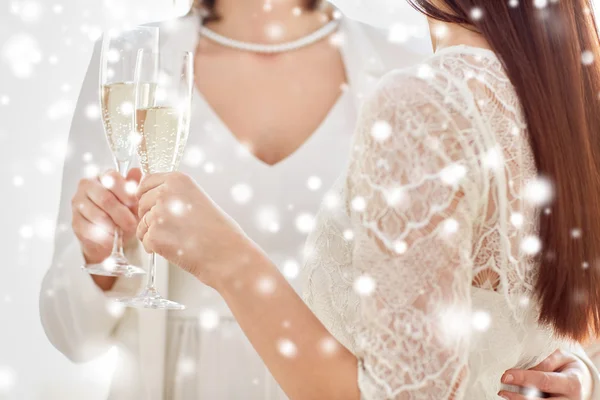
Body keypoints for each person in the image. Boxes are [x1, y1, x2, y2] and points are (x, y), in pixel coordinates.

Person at [39, 0, 599, 399]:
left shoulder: (413, 68)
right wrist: (98, 261)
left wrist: (573, 371)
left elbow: (510, 291)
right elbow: (70, 336)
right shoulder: (133, 62)